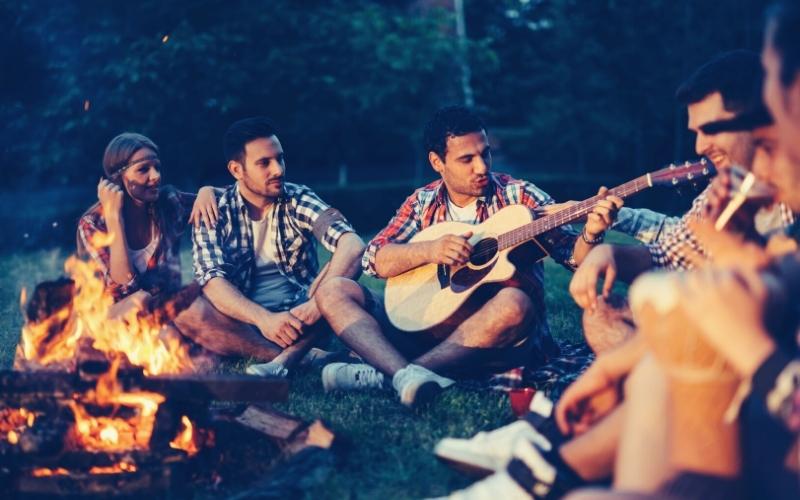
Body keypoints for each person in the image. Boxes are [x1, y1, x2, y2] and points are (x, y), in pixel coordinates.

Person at [314, 105, 623, 407]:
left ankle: (394, 375)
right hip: (422, 326)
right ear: (437, 162)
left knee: (515, 304)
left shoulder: (519, 196)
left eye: (484, 153)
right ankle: (407, 376)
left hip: (493, 340)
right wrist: (429, 250)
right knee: (334, 290)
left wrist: (592, 231)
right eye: (467, 159)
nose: (482, 167)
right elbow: (373, 258)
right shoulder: (422, 202)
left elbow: (575, 258)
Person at [178, 117, 365, 376]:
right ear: (236, 170)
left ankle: (282, 355)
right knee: (184, 308)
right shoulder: (213, 210)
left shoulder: (297, 198)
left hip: (303, 316)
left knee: (342, 281)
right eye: (264, 163)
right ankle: (305, 358)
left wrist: (314, 307)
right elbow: (213, 281)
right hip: (244, 321)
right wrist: (263, 319)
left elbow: (353, 245)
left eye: (280, 158)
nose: (278, 169)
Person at [77, 132, 219, 319]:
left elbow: (237, 199)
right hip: (115, 325)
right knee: (140, 300)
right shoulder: (93, 224)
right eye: (143, 169)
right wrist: (114, 217)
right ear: (118, 178)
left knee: (205, 292)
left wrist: (208, 190)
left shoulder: (169, 204)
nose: (156, 176)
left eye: (157, 167)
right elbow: (124, 289)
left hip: (168, 315)